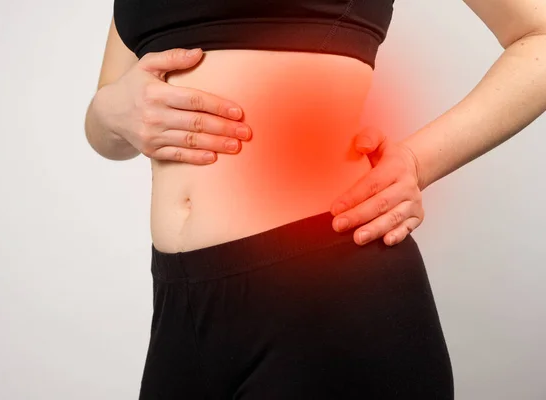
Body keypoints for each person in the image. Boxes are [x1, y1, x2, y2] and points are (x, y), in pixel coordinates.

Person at [84, 1, 546, 398]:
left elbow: (538, 35)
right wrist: (109, 112)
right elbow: (109, 124)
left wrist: (416, 161)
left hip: (329, 297)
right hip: (177, 309)